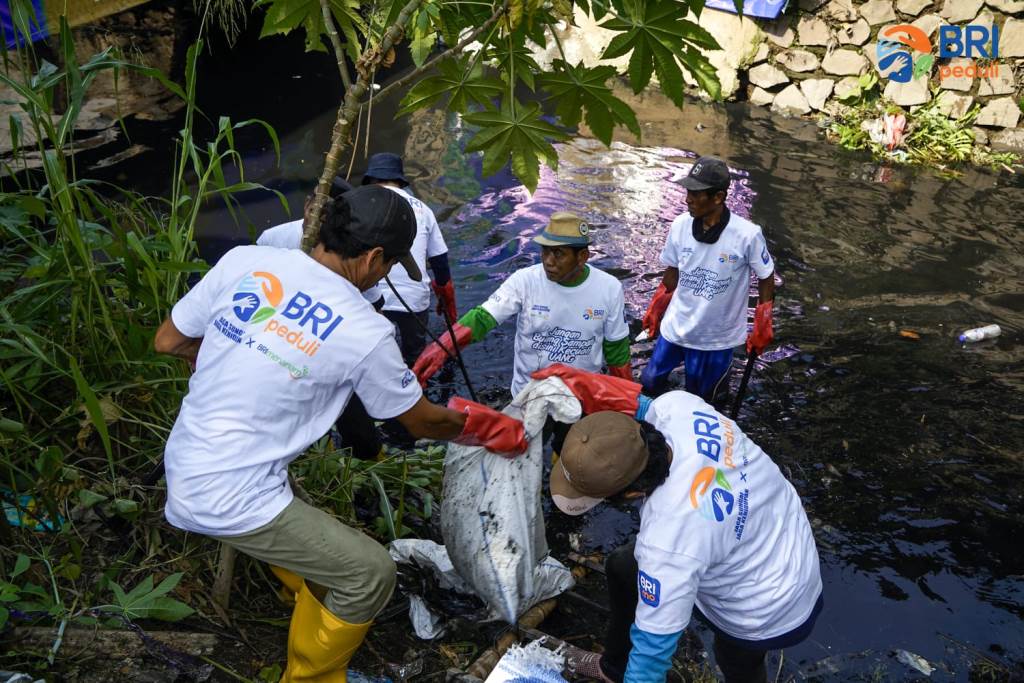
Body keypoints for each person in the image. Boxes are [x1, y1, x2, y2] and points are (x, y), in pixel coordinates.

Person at [153, 185, 527, 682]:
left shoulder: (247, 260)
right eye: (392, 264)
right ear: (374, 257)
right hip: (227, 494)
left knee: (311, 532)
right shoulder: (363, 329)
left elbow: (168, 340)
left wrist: (235, 356)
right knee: (370, 573)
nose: (389, 274)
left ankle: (304, 601)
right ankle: (307, 678)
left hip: (187, 457)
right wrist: (484, 426)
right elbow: (417, 422)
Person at [533, 364, 822, 683]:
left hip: (770, 604)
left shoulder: (667, 541)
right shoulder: (679, 407)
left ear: (632, 493)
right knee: (623, 566)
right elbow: (642, 405)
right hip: (778, 527)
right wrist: (589, 387)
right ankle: (613, 668)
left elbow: (651, 655)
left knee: (735, 659)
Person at [412, 212, 632, 398]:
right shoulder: (524, 281)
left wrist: (627, 400)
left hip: (581, 396)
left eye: (558, 253)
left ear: (583, 256)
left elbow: (617, 353)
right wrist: (441, 348)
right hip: (528, 394)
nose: (548, 260)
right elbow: (483, 318)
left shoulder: (609, 288)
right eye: (545, 250)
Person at [257, 175, 387, 461]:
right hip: (277, 345)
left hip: (328, 353)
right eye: (314, 205)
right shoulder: (274, 239)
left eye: (327, 211)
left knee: (353, 418)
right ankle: (316, 458)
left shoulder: (348, 253)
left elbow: (374, 306)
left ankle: (368, 457)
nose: (316, 215)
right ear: (307, 204)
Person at [640, 156, 775, 405]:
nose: (687, 199)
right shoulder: (680, 225)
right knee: (649, 386)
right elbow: (673, 270)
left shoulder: (747, 235)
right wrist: (658, 304)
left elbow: (766, 276)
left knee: (705, 402)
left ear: (718, 197)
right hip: (676, 328)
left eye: (696, 193)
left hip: (716, 339)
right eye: (688, 191)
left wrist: (762, 320)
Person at [362, 152, 457, 365]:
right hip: (414, 299)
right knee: (415, 359)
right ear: (400, 181)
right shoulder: (423, 209)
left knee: (376, 358)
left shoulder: (362, 205)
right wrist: (444, 294)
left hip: (371, 298)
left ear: (371, 180)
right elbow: (440, 260)